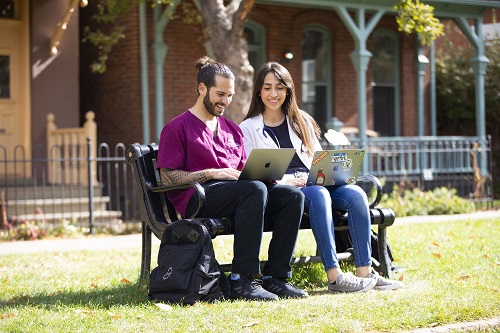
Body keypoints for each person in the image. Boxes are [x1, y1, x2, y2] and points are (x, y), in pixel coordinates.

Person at [239, 61, 404, 292]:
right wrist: (286, 180)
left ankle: (365, 273)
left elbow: (317, 158)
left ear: (288, 90)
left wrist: (332, 171)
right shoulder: (248, 128)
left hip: (313, 181)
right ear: (259, 91)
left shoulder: (301, 121)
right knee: (318, 194)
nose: (273, 94)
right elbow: (252, 171)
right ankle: (334, 276)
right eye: (267, 88)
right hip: (286, 190)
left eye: (279, 87)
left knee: (355, 194)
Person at [156, 56, 308, 301]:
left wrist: (268, 175)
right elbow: (167, 179)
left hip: (238, 194)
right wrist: (209, 173)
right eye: (220, 94)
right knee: (254, 190)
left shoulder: (231, 129)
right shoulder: (177, 128)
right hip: (198, 197)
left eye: (230, 95)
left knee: (290, 197)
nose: (225, 101)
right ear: (202, 88)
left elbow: (244, 174)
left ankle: (276, 278)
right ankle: (242, 280)